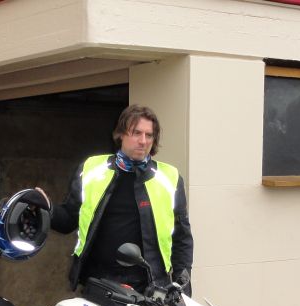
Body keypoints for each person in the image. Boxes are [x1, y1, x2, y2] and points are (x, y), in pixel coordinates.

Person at [51, 104, 193, 294]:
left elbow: (182, 239)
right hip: (97, 282)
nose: (143, 141)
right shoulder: (92, 169)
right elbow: (68, 218)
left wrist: (182, 289)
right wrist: (46, 209)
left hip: (148, 288)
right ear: (121, 134)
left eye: (149, 135)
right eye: (136, 133)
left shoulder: (170, 178)